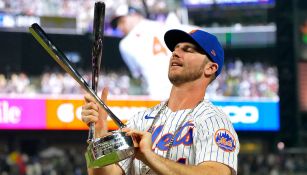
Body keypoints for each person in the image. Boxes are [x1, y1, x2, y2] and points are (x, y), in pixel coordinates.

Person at [81, 29, 240, 175]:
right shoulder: (141, 119)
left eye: (187, 49)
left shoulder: (214, 121)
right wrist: (100, 135)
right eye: (176, 48)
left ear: (210, 68)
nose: (176, 53)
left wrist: (149, 156)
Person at [110, 5, 194, 99]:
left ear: (135, 15)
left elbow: (137, 76)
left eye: (122, 21)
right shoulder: (165, 26)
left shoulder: (125, 43)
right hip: (185, 92)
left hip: (158, 95)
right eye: (117, 25)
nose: (120, 27)